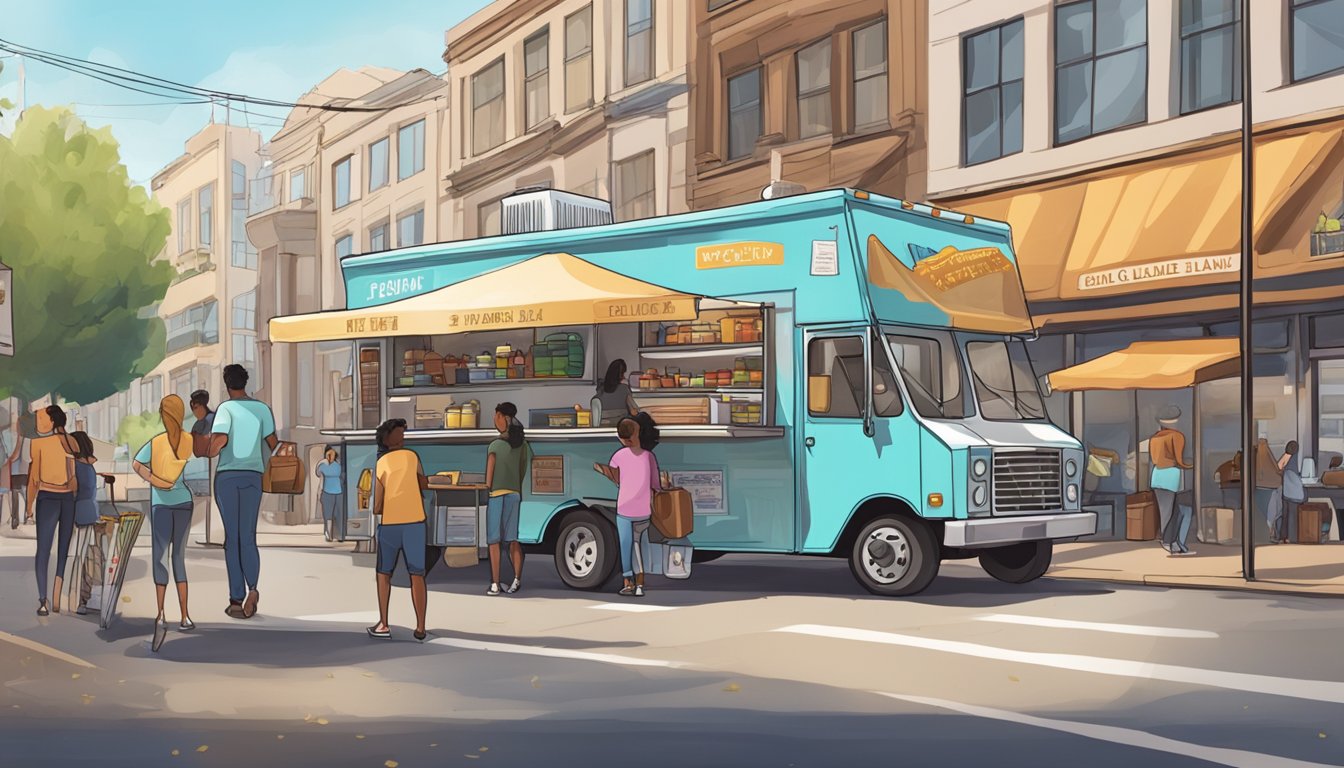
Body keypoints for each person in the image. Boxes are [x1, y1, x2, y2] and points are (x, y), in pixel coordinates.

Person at [204, 365, 278, 620]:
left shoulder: (225, 409)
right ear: (245, 383)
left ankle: (236, 599)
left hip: (227, 477)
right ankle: (254, 588)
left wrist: (209, 447)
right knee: (248, 536)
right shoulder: (262, 409)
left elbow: (219, 442)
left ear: (227, 384)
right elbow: (272, 443)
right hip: (253, 477)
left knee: (232, 538)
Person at [133, 395, 197, 652]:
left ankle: (161, 614)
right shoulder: (188, 441)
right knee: (177, 557)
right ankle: (184, 616)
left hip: (162, 503)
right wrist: (162, 480)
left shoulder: (157, 442)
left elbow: (137, 464)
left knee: (161, 556)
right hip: (183, 501)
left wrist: (155, 481)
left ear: (163, 414)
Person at [368, 418, 428, 642]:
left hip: (391, 525)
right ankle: (420, 626)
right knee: (417, 575)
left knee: (384, 574)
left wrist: (383, 504)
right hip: (415, 523)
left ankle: (384, 624)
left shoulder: (381, 463)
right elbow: (423, 483)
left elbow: (377, 505)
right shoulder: (412, 457)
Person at [595, 412, 663, 597]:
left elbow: (617, 480)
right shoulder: (649, 457)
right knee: (638, 545)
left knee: (626, 545)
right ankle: (640, 582)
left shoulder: (618, 456)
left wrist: (602, 470)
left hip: (624, 509)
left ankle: (628, 582)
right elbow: (656, 485)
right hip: (643, 511)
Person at [28, 405, 78, 615]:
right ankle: (56, 596)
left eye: (40, 418)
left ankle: (43, 600)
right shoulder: (71, 441)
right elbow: (74, 476)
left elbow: (34, 478)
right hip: (68, 499)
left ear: (52, 420)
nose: (37, 423)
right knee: (63, 549)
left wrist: (29, 506)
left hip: (47, 498)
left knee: (43, 550)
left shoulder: (38, 443)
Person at [485, 402, 531, 596]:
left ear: (503, 418)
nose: (494, 420)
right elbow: (523, 470)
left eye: (496, 416)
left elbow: (488, 480)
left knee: (494, 540)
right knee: (512, 540)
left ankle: (495, 584)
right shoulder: (522, 445)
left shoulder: (494, 446)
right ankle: (516, 580)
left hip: (496, 495)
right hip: (514, 494)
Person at [1148, 405, 1194, 556]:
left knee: (1165, 512)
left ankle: (1169, 542)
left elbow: (1155, 459)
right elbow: (1179, 461)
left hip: (1157, 476)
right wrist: (1192, 465)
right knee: (1178, 511)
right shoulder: (1177, 436)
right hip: (1171, 476)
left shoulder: (1154, 438)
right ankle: (1170, 542)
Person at [67, 432, 101, 616]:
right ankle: (85, 597)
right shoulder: (90, 463)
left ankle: (79, 599)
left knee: (77, 558)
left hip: (78, 512)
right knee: (88, 557)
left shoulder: (75, 465)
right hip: (91, 511)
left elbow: (71, 489)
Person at [1253, 437, 1283, 545]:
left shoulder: (1256, 457)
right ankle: (1270, 534)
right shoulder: (1266, 457)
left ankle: (1269, 533)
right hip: (1270, 490)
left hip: (1260, 489)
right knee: (1272, 514)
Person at [593, 359, 639, 427]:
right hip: (622, 428)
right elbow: (634, 411)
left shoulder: (600, 390)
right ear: (619, 375)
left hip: (601, 427)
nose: (623, 377)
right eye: (622, 374)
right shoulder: (624, 389)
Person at [1276, 441, 1305, 544]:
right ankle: (1290, 538)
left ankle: (1282, 537)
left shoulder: (1287, 456)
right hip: (1294, 493)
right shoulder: (1295, 457)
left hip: (1286, 492)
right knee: (1292, 515)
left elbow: (1279, 466)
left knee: (1285, 514)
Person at [1, 406, 24, 530]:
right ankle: (14, 517)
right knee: (11, 494)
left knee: (15, 493)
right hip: (10, 468)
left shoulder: (19, 436)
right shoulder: (6, 434)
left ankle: (17, 517)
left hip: (16, 468)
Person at [315, 446, 343, 541]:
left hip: (338, 493)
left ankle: (337, 535)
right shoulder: (323, 466)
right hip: (327, 493)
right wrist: (322, 462)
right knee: (328, 516)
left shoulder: (338, 466)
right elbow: (318, 474)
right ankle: (329, 534)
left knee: (337, 515)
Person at [189, 390, 215, 458]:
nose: (194, 412)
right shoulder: (196, 425)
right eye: (193, 409)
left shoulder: (213, 419)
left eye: (196, 407)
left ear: (203, 405)